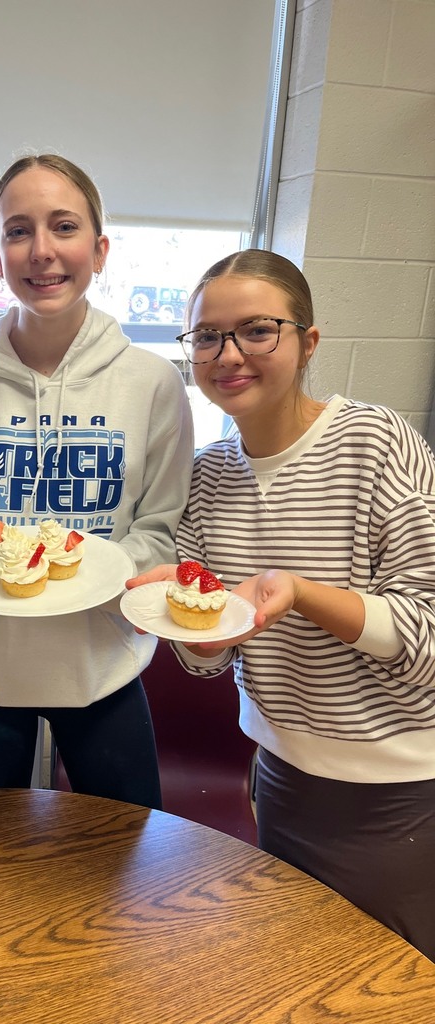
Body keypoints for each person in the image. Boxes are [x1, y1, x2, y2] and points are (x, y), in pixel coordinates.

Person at [127, 249, 435, 959]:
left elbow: (428, 636)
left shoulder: (376, 443)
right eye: (207, 336)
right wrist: (194, 623)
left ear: (308, 343)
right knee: (294, 973)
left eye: (257, 330)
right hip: (280, 778)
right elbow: (210, 664)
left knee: (391, 988)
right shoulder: (207, 478)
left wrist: (299, 593)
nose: (229, 354)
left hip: (397, 794)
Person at [0, 153, 194, 810]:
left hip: (105, 663)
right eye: (18, 231)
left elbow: (160, 529)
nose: (41, 251)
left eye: (64, 227)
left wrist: (84, 577)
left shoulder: (153, 384)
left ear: (100, 250)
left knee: (121, 856)